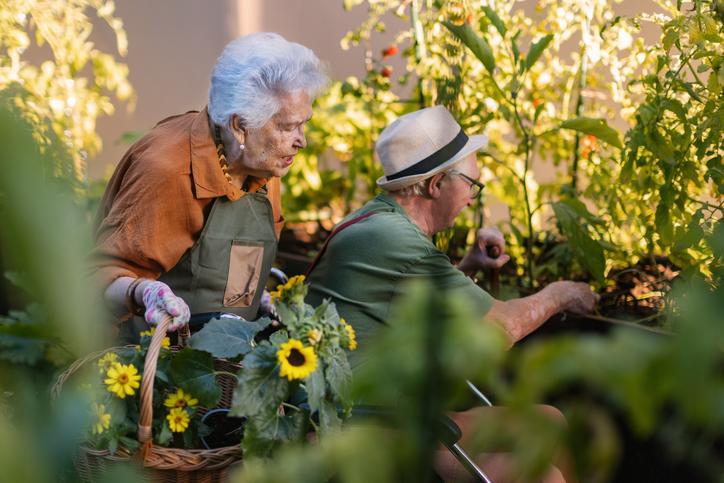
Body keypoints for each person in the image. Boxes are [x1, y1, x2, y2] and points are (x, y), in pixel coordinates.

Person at [305, 106, 600, 482]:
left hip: (387, 414)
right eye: (472, 185)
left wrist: (469, 266)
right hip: (357, 428)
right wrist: (561, 293)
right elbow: (502, 329)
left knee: (550, 424)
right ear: (437, 184)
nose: (474, 197)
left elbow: (400, 300)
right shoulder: (395, 240)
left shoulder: (379, 222)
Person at [86, 33, 330, 345]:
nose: (301, 140)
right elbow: (96, 279)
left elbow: (235, 260)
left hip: (224, 360)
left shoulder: (265, 160)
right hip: (150, 365)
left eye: (303, 123)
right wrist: (142, 292)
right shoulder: (169, 171)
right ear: (240, 125)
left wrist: (255, 299)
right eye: (287, 127)